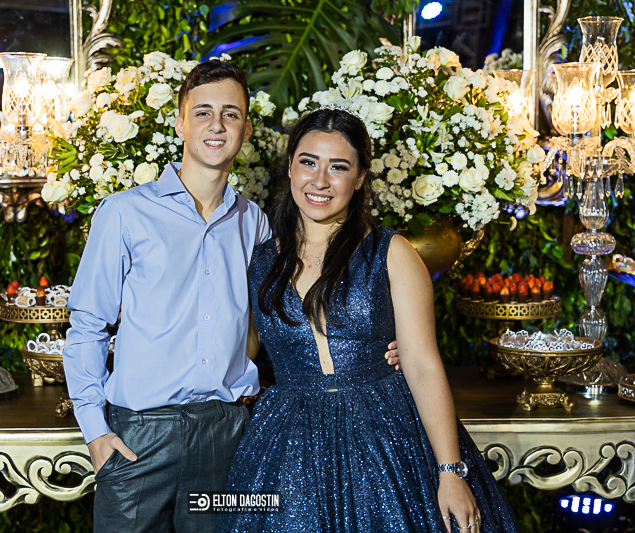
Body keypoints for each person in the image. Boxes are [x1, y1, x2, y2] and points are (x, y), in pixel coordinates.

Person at [64, 60, 403, 533]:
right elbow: (87, 326)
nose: (217, 125)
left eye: (231, 114)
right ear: (179, 122)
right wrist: (95, 431)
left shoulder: (256, 224)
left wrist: (379, 345)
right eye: (203, 112)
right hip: (139, 435)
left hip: (226, 435)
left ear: (246, 128)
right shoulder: (124, 213)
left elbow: (289, 312)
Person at [216, 107, 521, 533]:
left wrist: (450, 471)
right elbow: (235, 354)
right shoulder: (259, 260)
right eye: (308, 162)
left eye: (338, 167)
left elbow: (423, 365)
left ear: (360, 177)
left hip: (385, 433)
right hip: (288, 441)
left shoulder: (392, 252)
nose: (320, 180)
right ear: (290, 167)